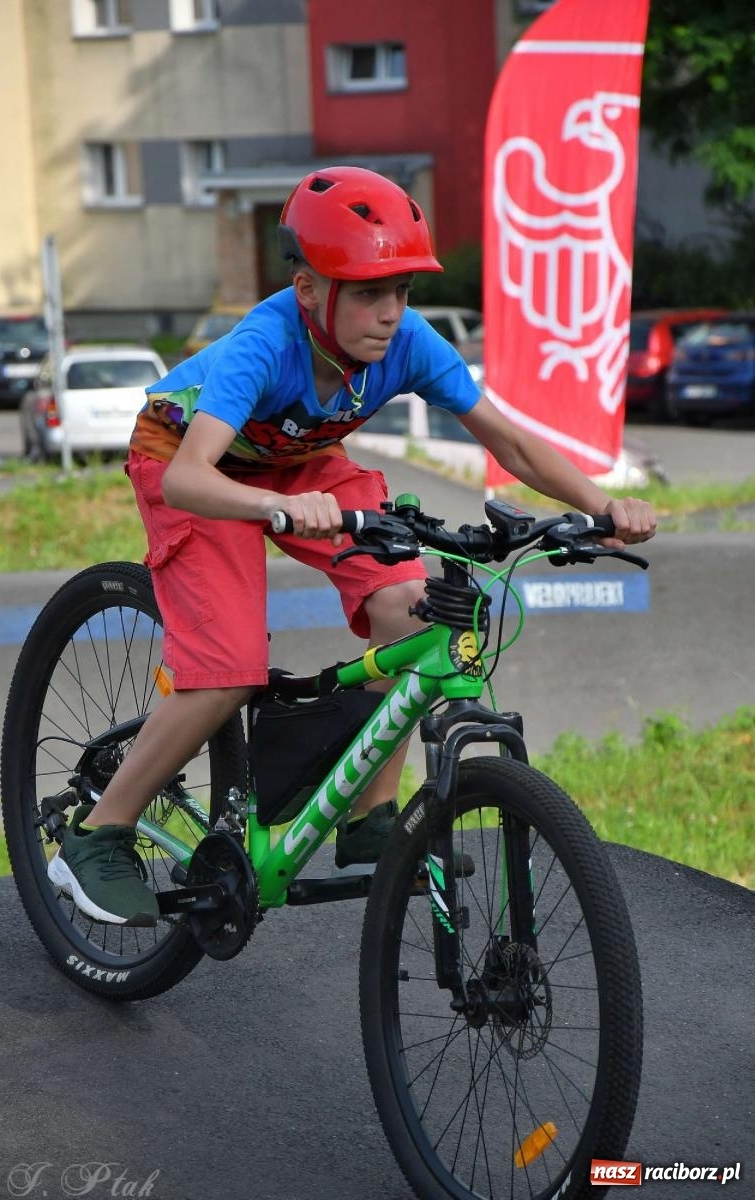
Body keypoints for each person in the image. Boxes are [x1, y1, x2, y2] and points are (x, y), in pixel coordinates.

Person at [47, 165, 656, 927]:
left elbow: (511, 443)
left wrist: (603, 507)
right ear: (308, 290)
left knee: (419, 611)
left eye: (401, 291)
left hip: (296, 467)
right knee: (226, 669)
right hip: (190, 462)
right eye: (368, 292)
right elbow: (188, 479)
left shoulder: (408, 343)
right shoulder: (264, 345)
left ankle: (370, 819)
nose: (390, 313)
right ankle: (97, 832)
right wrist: (272, 505)